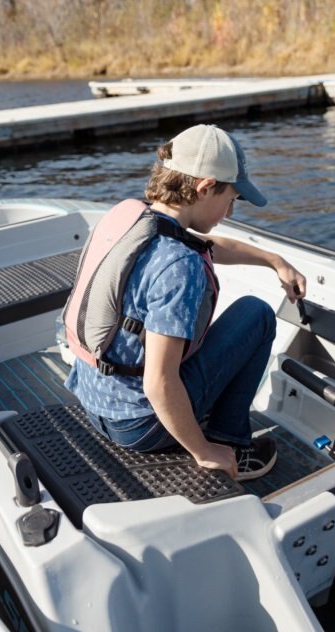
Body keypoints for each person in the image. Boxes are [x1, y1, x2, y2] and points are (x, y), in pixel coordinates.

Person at [64, 124, 306, 480]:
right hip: (139, 424)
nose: (230, 213)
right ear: (206, 187)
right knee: (257, 315)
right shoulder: (180, 266)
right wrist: (203, 451)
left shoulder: (133, 216)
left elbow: (204, 246)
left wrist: (274, 260)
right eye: (231, 200)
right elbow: (158, 384)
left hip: (93, 399)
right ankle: (229, 441)